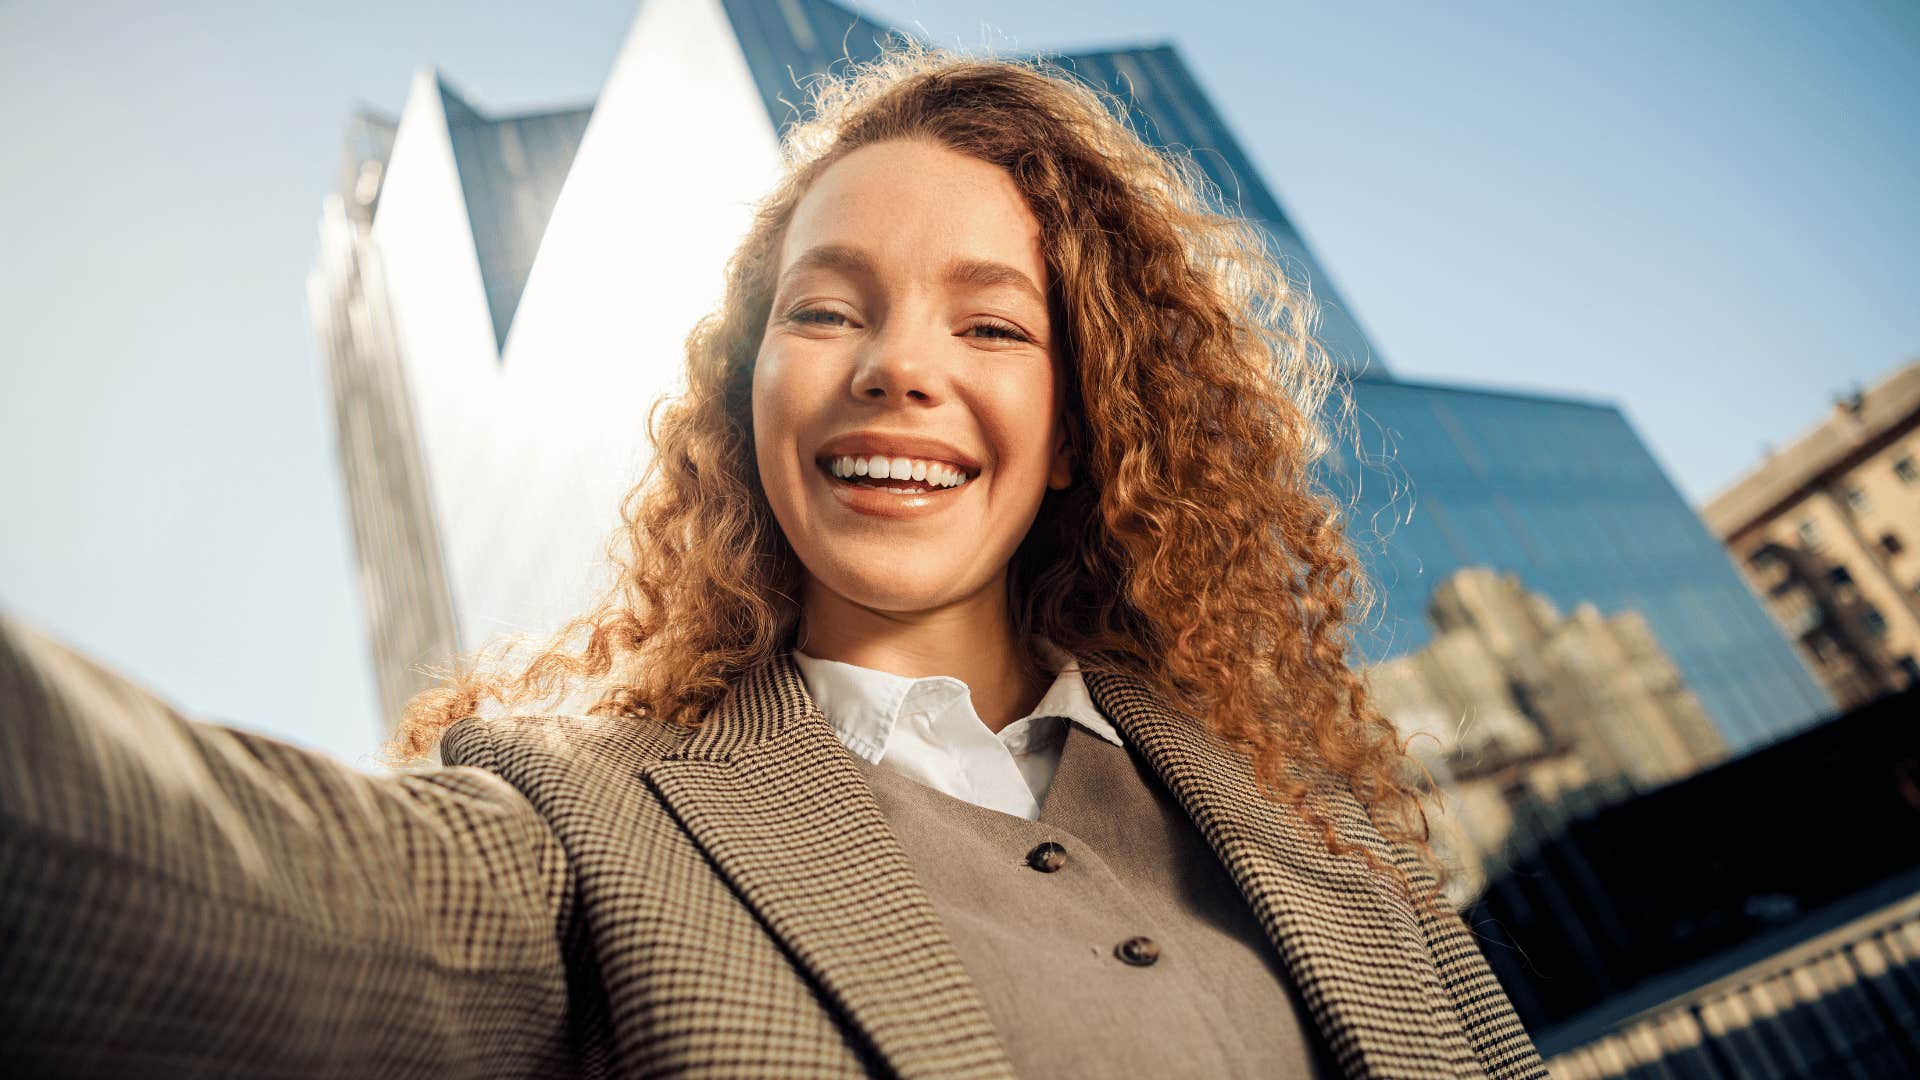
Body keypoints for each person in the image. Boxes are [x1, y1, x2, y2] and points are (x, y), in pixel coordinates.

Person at [0, 45, 1546, 1079]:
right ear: (750, 403)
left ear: (1078, 426)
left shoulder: (1305, 811)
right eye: (827, 309)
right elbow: (187, 864)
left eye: (990, 323)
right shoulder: (588, 817)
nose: (899, 365)